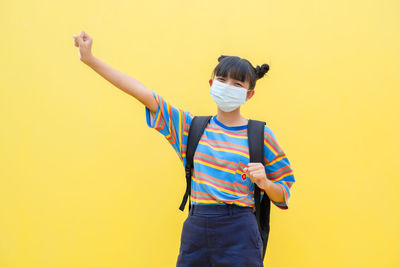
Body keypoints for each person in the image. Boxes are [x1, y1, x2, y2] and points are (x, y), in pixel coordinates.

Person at [73, 30, 295, 267]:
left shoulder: (260, 135)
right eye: (222, 80)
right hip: (197, 228)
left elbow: (283, 193)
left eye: (237, 83)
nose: (227, 86)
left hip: (239, 230)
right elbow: (142, 93)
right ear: (211, 84)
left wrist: (265, 183)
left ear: (249, 94)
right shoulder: (190, 128)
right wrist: (90, 60)